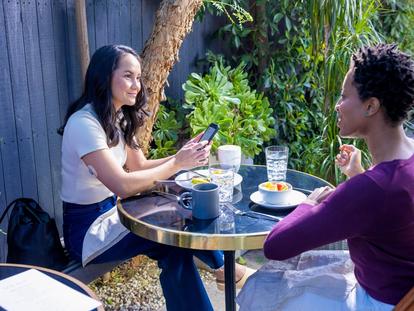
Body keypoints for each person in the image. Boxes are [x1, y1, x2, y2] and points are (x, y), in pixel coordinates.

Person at [59, 45, 252, 311]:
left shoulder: (117, 118)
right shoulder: (84, 124)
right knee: (173, 230)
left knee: (176, 232)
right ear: (104, 76)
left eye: (138, 77)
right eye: (128, 76)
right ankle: (223, 268)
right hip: (88, 231)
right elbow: (123, 185)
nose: (136, 85)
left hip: (114, 213)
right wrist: (176, 163)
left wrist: (183, 156)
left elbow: (138, 166)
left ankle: (222, 269)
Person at [237, 43, 414, 310]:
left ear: (371, 106)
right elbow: (392, 211)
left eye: (344, 96)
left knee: (260, 285)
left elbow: (275, 246)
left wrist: (310, 202)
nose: (337, 106)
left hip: (377, 303)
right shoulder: (400, 165)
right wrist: (357, 175)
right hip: (402, 296)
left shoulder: (371, 189)